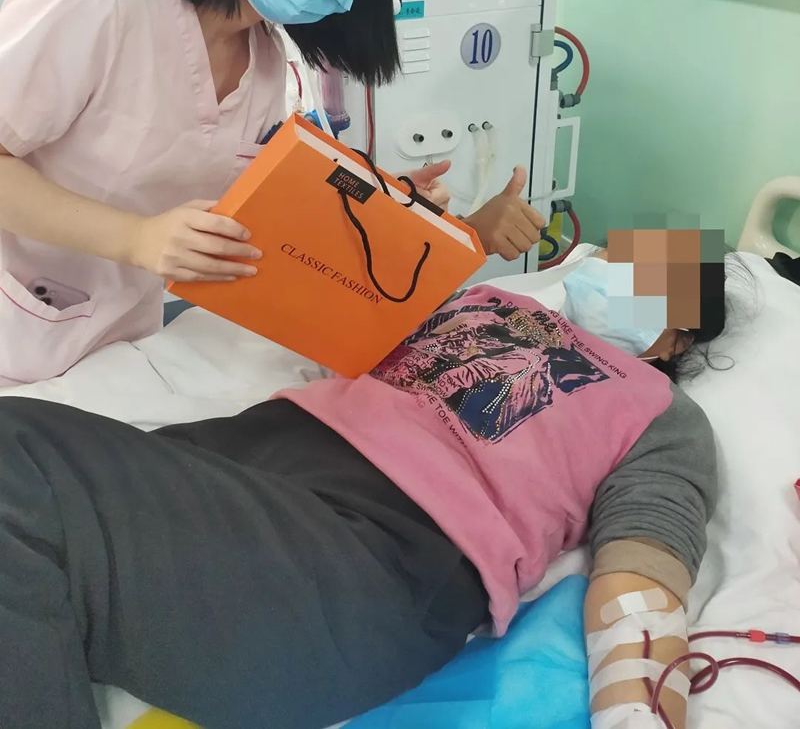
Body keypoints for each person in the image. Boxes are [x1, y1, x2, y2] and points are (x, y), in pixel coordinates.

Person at [0, 228, 730, 729]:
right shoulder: (489, 303)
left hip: (362, 556)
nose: (609, 266)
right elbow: (342, 322)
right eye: (616, 253)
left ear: (677, 333)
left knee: (15, 457)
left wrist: (638, 713)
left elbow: (641, 584)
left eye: (645, 270)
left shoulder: (661, 410)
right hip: (232, 469)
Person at [0, 0, 543, 385]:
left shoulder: (266, 55)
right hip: (16, 330)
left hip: (122, 345)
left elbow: (267, 213)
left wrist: (411, 214)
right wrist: (135, 238)